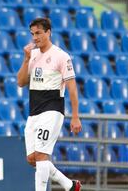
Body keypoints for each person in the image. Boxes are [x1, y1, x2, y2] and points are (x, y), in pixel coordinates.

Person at [17, 17, 82, 191]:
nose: (35, 37)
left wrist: (75, 116)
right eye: (32, 34)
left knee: (41, 155)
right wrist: (26, 59)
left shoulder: (61, 56)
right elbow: (21, 82)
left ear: (48, 32)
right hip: (34, 111)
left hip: (52, 110)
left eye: (38, 33)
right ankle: (70, 185)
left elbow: (72, 88)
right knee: (32, 159)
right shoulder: (33, 55)